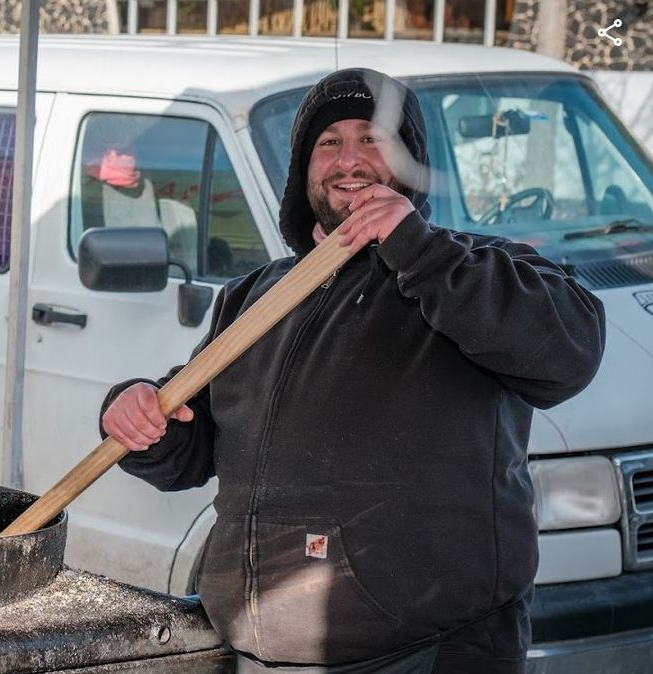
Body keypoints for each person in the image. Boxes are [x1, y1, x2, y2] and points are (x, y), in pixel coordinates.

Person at [99, 68, 605, 673]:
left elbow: (567, 354)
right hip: (258, 651)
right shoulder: (253, 296)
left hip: (426, 652)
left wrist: (415, 247)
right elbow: (192, 452)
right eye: (328, 143)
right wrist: (142, 417)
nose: (349, 160)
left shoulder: (473, 271)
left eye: (372, 139)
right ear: (303, 171)